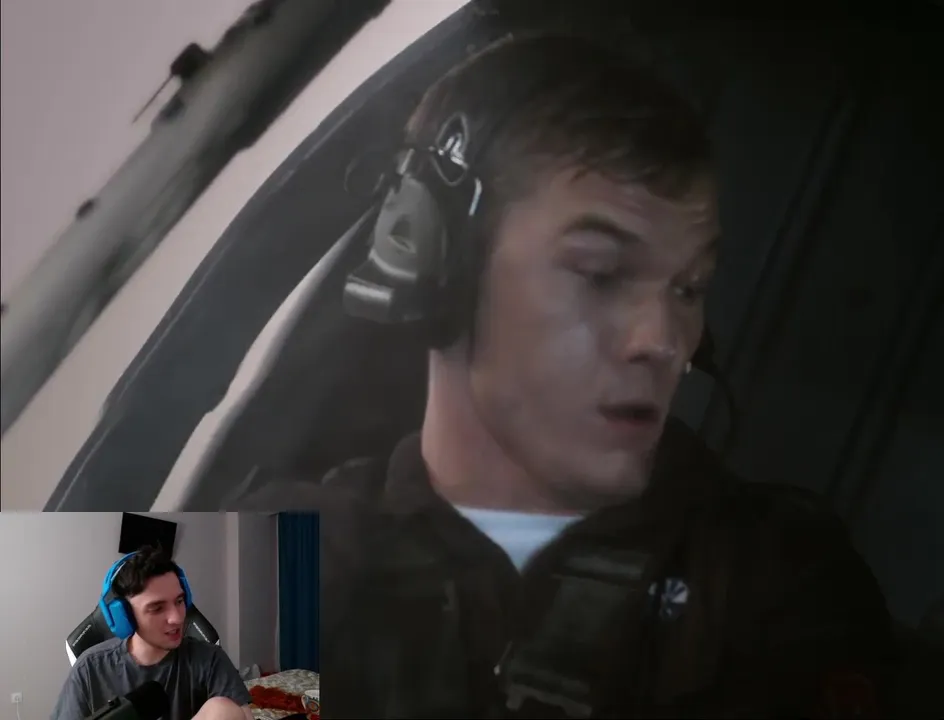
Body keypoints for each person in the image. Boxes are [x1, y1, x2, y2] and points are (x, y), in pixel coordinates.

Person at [229, 32, 897, 718]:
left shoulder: (775, 578)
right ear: (437, 267)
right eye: (600, 274)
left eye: (690, 288)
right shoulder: (272, 561)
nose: (665, 341)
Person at [52, 547, 252, 720]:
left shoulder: (209, 659)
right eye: (157, 608)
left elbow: (241, 715)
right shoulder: (89, 669)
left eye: (179, 601)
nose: (177, 618)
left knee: (223, 709)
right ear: (125, 617)